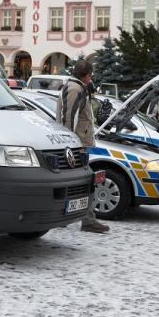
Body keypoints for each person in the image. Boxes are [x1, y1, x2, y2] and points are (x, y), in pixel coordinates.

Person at [55, 60, 110, 233]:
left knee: (79, 181)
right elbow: (68, 117)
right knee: (85, 181)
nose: (91, 78)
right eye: (90, 75)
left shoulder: (78, 88)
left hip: (77, 144)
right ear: (87, 75)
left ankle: (69, 217)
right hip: (74, 146)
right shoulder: (75, 89)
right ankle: (86, 220)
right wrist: (68, 145)